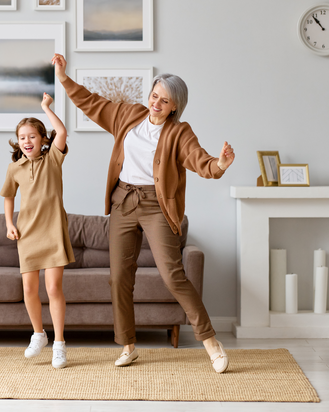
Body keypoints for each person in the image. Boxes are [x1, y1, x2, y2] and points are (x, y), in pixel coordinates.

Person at [51, 53, 235, 373]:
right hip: (123, 201)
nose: (156, 104)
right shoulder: (128, 115)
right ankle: (128, 345)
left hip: (155, 206)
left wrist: (218, 165)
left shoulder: (179, 132)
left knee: (172, 275)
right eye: (154, 96)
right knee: (119, 277)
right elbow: (92, 103)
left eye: (164, 101)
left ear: (174, 106)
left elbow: (198, 159)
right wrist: (64, 78)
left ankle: (211, 343)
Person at [0, 92, 75, 369]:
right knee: (29, 289)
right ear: (17, 142)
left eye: (32, 136)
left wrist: (46, 107)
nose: (27, 141)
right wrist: (9, 223)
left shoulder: (53, 159)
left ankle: (59, 344)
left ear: (43, 139)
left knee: (53, 288)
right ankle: (39, 334)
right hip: (28, 234)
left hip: (53, 231)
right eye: (22, 137)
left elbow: (63, 131)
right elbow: (8, 196)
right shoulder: (14, 168)